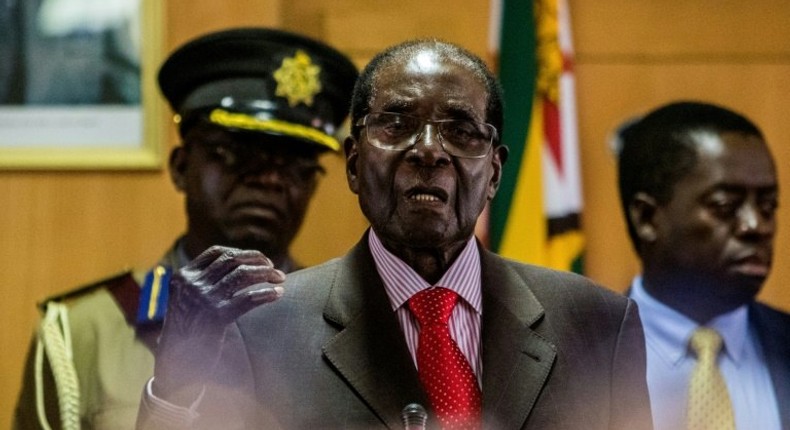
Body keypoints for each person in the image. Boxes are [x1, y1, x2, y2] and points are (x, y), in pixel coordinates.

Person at [137, 39, 652, 430]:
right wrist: (174, 390)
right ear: (355, 164)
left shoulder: (598, 326)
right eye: (396, 124)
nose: (428, 150)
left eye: (460, 129)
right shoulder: (259, 328)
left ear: (494, 173)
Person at [13, 27, 358, 430]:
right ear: (180, 167)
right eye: (238, 155)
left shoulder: (348, 329)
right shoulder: (82, 334)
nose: (270, 181)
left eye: (296, 168)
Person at [616, 101, 790, 430]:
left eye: (768, 206)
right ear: (647, 218)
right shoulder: (578, 362)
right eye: (726, 206)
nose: (757, 226)